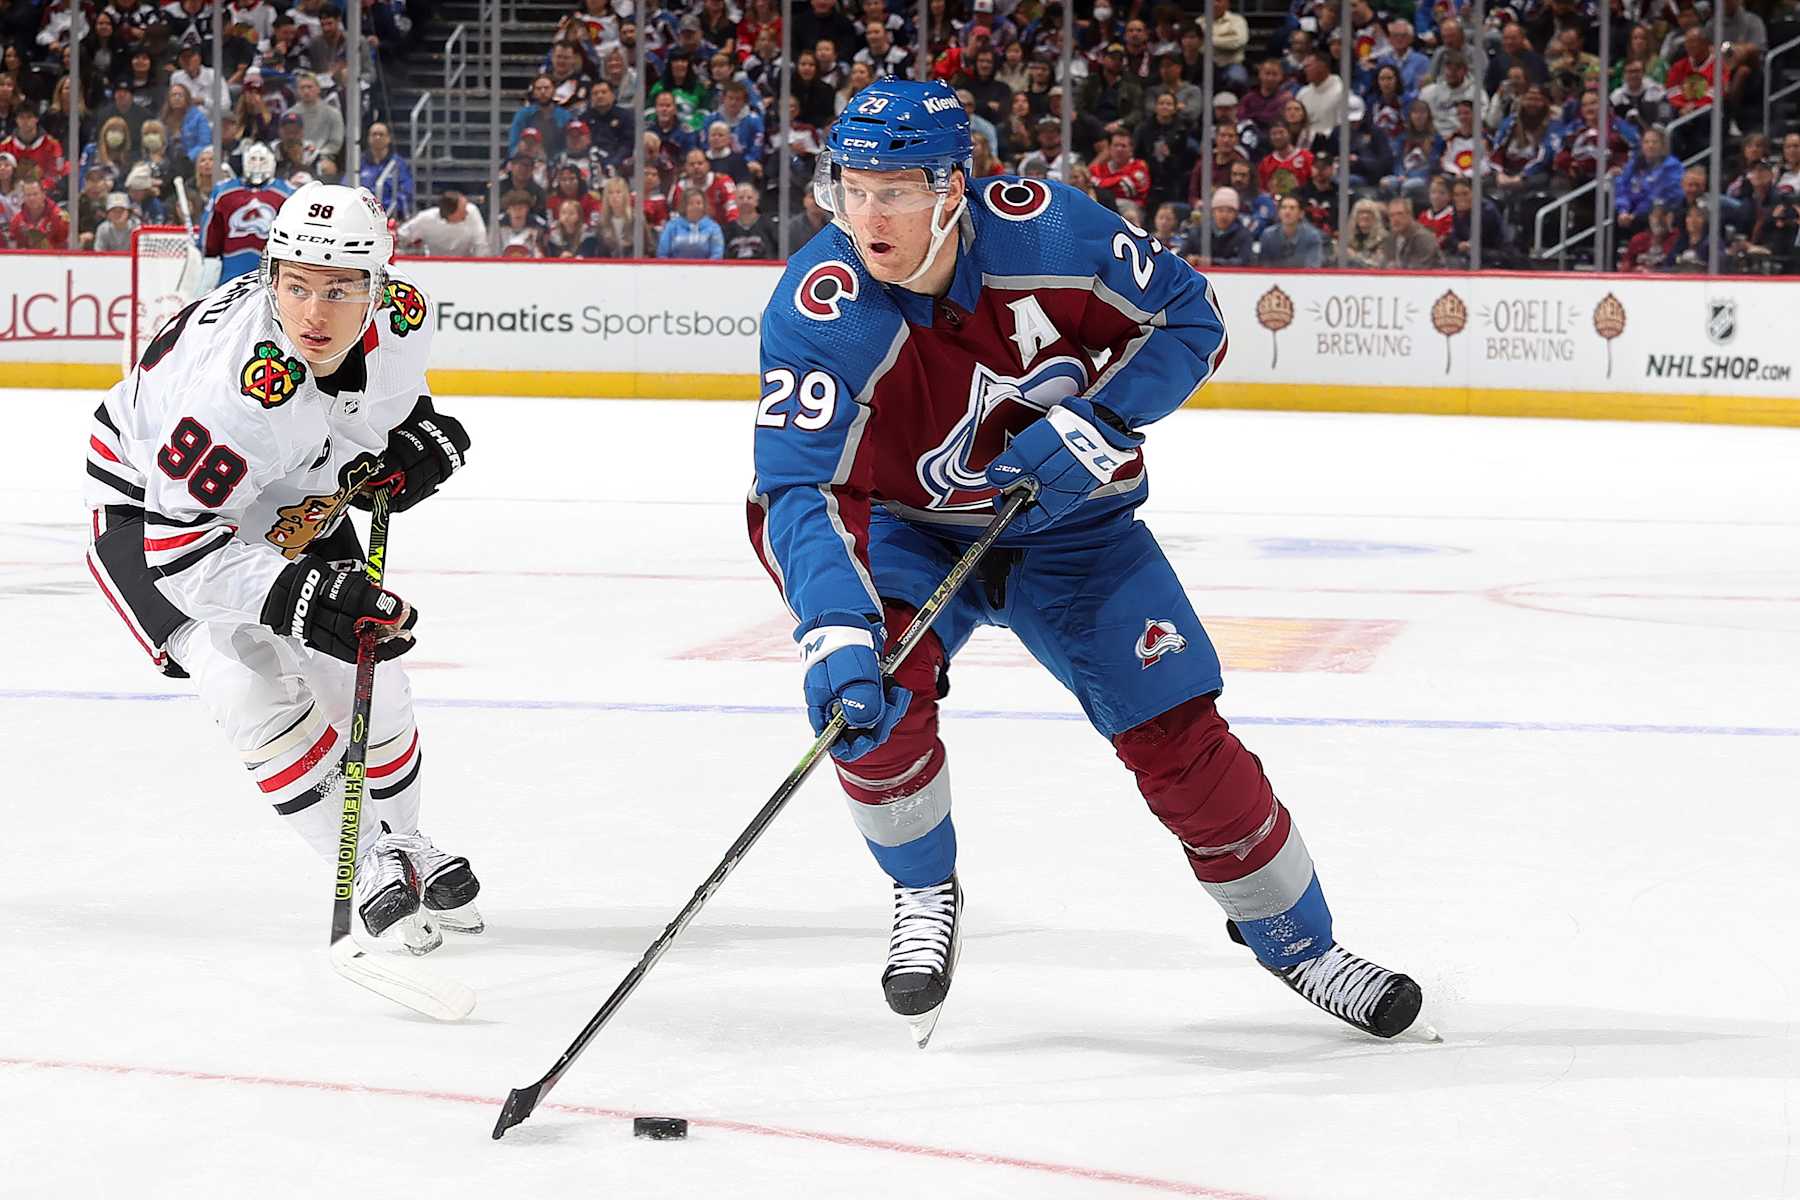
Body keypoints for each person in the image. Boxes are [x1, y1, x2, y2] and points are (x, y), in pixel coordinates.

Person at [750, 79, 1424, 1048]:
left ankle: (1299, 943)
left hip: (1077, 534)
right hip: (907, 528)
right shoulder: (822, 306)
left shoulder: (1053, 237)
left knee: (1179, 732)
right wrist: (834, 631)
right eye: (851, 187)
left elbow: (1190, 320)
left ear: (954, 188)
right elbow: (799, 487)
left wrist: (1102, 420)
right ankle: (922, 891)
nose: (867, 214)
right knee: (873, 706)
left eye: (893, 189)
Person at [81, 183, 481, 952]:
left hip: (286, 486)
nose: (313, 314)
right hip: (154, 513)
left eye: (339, 289)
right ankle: (363, 860)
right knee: (249, 690)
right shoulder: (233, 389)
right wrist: (298, 596)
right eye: (295, 285)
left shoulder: (406, 317)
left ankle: (406, 845)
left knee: (366, 667)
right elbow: (183, 551)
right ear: (270, 277)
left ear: (381, 284)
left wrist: (412, 443)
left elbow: (390, 407)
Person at [201, 142, 294, 285]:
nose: (257, 164)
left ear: (272, 162)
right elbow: (210, 237)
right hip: (230, 273)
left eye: (262, 160)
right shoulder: (224, 191)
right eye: (253, 159)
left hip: (271, 272)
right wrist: (206, 256)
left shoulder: (287, 193)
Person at [396, 188, 489, 256]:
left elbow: (480, 244)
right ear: (451, 214)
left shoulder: (472, 212)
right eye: (463, 210)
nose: (467, 212)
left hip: (465, 264)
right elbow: (402, 235)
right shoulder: (426, 219)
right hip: (433, 266)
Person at [657, 186, 724, 258]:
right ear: (684, 206)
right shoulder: (672, 226)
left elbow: (717, 254)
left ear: (704, 205)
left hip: (706, 268)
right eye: (691, 203)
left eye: (698, 203)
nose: (695, 206)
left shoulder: (713, 227)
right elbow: (662, 253)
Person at [722, 180, 778, 258]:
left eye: (749, 197)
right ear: (735, 201)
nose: (745, 201)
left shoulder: (769, 225)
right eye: (741, 198)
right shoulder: (727, 229)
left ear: (757, 201)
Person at [1383, 195, 1442, 267]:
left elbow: (1417, 270)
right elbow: (1384, 264)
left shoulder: (1424, 238)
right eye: (1391, 215)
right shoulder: (1390, 238)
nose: (1395, 219)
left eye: (1400, 214)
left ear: (1410, 215)